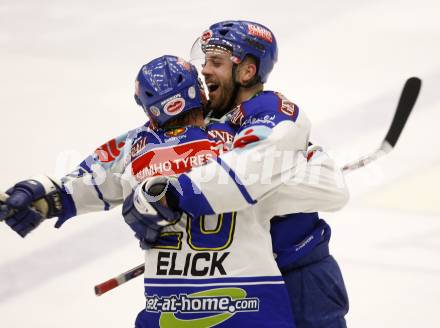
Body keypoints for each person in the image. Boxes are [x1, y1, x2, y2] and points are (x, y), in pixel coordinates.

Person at [142, 20, 349, 328]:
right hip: (236, 282)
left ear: (247, 71)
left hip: (301, 276)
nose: (205, 70)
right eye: (205, 61)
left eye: (216, 62)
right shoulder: (198, 120)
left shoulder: (273, 112)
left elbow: (333, 191)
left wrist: (243, 193)